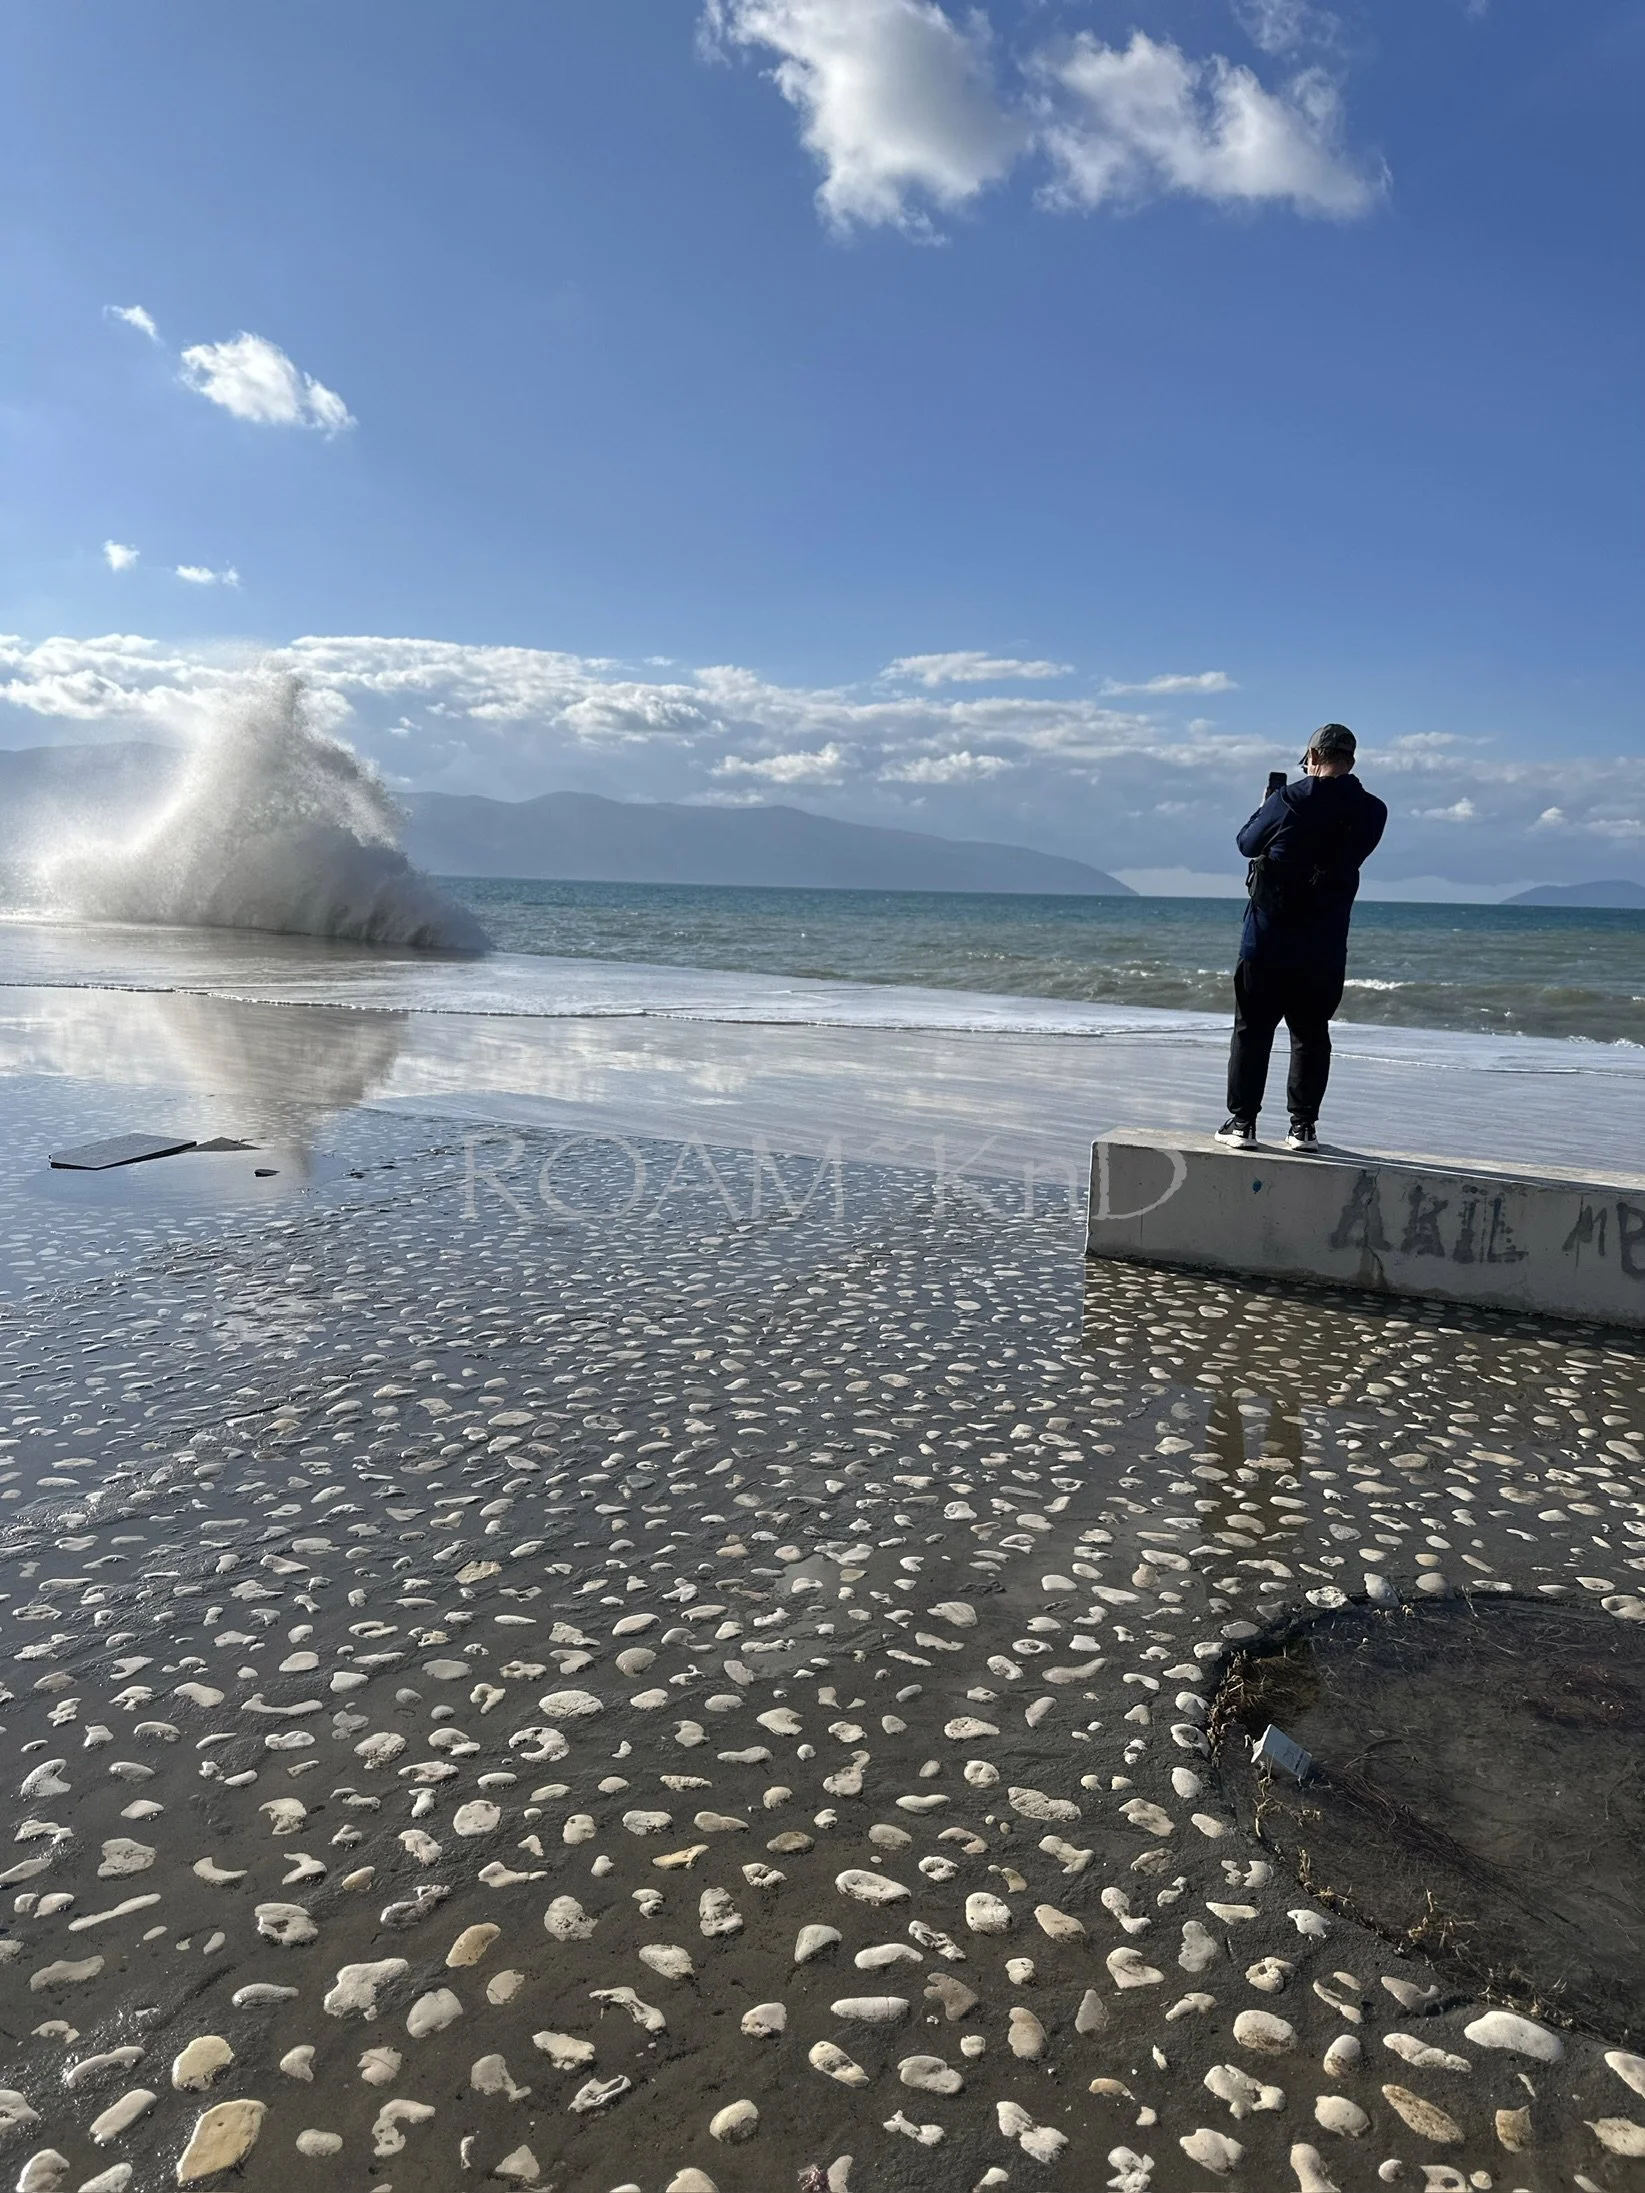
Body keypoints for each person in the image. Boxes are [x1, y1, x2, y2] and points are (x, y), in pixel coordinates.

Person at [1215, 722, 1386, 1153]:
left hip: (1268, 938)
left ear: (1312, 756)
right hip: (1325, 942)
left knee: (1253, 1031)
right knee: (1310, 1034)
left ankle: (1242, 1124)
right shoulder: (1373, 810)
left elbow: (1246, 844)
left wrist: (1267, 806)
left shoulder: (1288, 800)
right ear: (1350, 759)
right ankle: (1302, 1128)